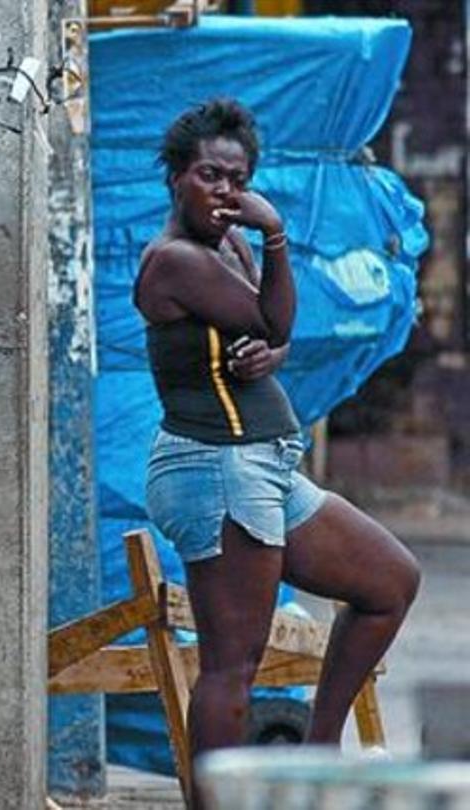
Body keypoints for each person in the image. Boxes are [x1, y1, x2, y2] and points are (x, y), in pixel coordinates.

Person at [134, 99, 420, 803]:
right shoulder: (175, 260)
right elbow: (271, 313)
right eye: (209, 176)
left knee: (390, 582)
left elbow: (273, 329)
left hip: (262, 468)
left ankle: (316, 762)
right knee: (234, 664)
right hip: (219, 469)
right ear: (175, 177)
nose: (226, 193)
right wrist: (278, 237)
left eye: (238, 179)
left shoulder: (219, 249)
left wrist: (273, 349)